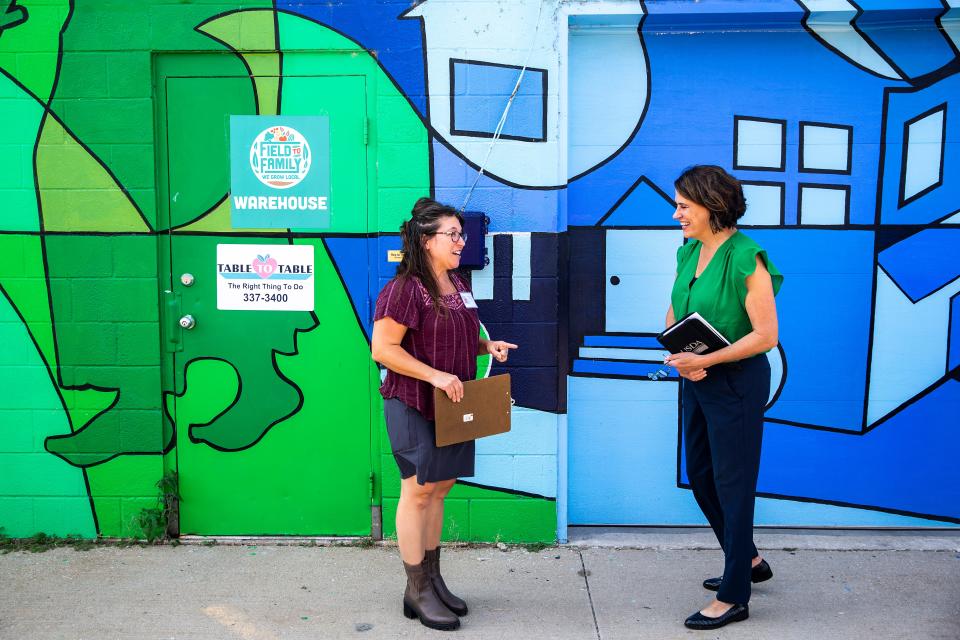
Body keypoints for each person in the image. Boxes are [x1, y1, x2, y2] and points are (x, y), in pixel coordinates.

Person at [371, 197, 518, 631]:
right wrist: (434, 376)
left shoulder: (457, 283)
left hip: (451, 404)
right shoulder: (404, 288)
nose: (461, 241)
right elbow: (384, 349)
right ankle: (415, 589)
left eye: (461, 234)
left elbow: (448, 337)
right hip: (413, 402)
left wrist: (484, 346)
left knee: (440, 488)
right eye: (452, 235)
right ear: (425, 240)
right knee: (417, 490)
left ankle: (432, 580)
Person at [664, 165, 783, 631]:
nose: (677, 214)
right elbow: (677, 306)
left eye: (683, 206)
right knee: (700, 475)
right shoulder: (688, 252)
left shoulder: (745, 257)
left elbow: (766, 335)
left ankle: (735, 593)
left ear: (712, 207)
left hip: (735, 381)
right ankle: (749, 559)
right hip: (697, 376)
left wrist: (708, 361)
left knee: (734, 483)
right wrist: (679, 350)